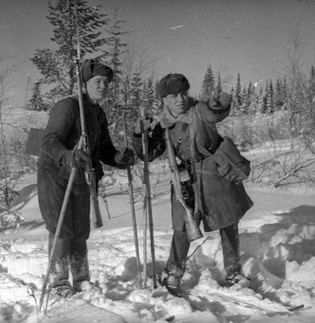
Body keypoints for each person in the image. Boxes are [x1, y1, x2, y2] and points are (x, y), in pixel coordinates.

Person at [132, 73, 254, 291]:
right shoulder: (163, 126)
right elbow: (148, 154)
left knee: (227, 223)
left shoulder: (199, 110)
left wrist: (220, 101)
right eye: (173, 96)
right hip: (184, 179)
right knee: (182, 227)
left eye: (183, 94)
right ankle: (173, 272)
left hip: (213, 175)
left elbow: (216, 112)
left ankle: (234, 272)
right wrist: (137, 134)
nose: (180, 99)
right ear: (164, 100)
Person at [37, 60, 135, 297]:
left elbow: (103, 149)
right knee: (62, 229)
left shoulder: (98, 113)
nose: (103, 86)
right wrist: (69, 155)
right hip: (55, 176)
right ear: (84, 83)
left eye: (106, 83)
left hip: (81, 177)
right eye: (97, 82)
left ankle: (81, 279)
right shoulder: (68, 107)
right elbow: (49, 141)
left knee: (80, 231)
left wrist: (120, 158)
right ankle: (59, 282)